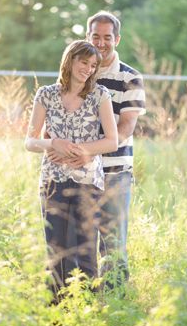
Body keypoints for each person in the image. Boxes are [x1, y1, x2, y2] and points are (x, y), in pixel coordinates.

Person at [50, 11, 145, 287]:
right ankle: (85, 305)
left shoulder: (130, 78)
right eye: (95, 37)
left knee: (113, 245)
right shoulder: (77, 75)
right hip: (78, 173)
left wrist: (88, 150)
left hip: (114, 171)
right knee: (80, 246)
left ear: (117, 39)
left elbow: (126, 128)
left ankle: (115, 306)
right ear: (87, 37)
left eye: (107, 37)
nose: (101, 43)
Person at [25, 40, 118, 300]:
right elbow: (30, 141)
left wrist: (83, 150)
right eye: (83, 62)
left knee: (84, 250)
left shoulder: (100, 95)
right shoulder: (45, 94)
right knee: (56, 250)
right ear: (70, 60)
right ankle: (56, 314)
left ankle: (87, 311)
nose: (88, 69)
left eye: (92, 66)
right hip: (52, 181)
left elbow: (112, 141)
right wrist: (52, 143)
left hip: (88, 181)